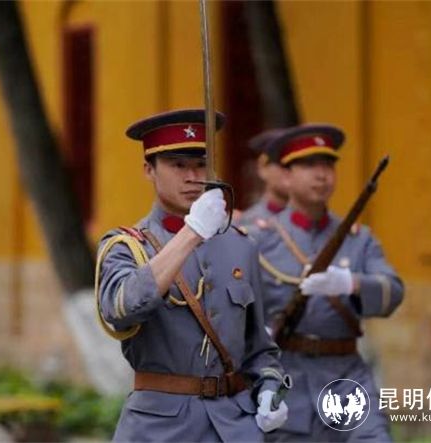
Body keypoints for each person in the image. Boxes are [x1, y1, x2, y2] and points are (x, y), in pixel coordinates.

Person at [95, 109, 289, 442]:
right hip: (160, 428)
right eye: (178, 165)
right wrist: (193, 232)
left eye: (200, 164)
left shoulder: (241, 245)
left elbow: (259, 348)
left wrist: (269, 386)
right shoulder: (127, 246)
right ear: (149, 170)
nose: (192, 176)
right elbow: (120, 309)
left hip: (233, 426)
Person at [251, 124, 404, 442]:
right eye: (309, 165)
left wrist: (351, 283)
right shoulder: (259, 239)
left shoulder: (358, 239)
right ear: (286, 175)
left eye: (328, 165)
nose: (321, 175)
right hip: (285, 377)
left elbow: (393, 291)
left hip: (345, 377)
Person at [237, 128, 291, 227]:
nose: (289, 171)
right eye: (284, 165)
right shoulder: (245, 224)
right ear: (262, 168)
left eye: (297, 165)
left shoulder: (316, 222)